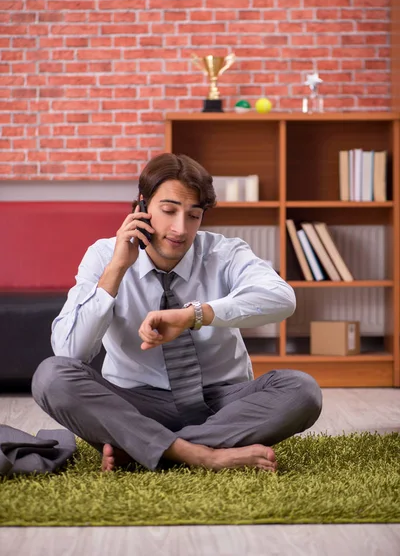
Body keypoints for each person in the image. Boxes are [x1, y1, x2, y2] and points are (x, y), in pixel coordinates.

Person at [32, 153, 322, 474]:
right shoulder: (104, 256)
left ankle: (145, 447)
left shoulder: (225, 252)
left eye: (193, 216)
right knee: (51, 377)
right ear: (142, 206)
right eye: (169, 211)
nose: (180, 229)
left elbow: (281, 299)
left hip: (222, 404)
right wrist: (117, 268)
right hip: (138, 404)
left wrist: (195, 315)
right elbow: (70, 351)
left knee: (302, 391)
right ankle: (203, 455)